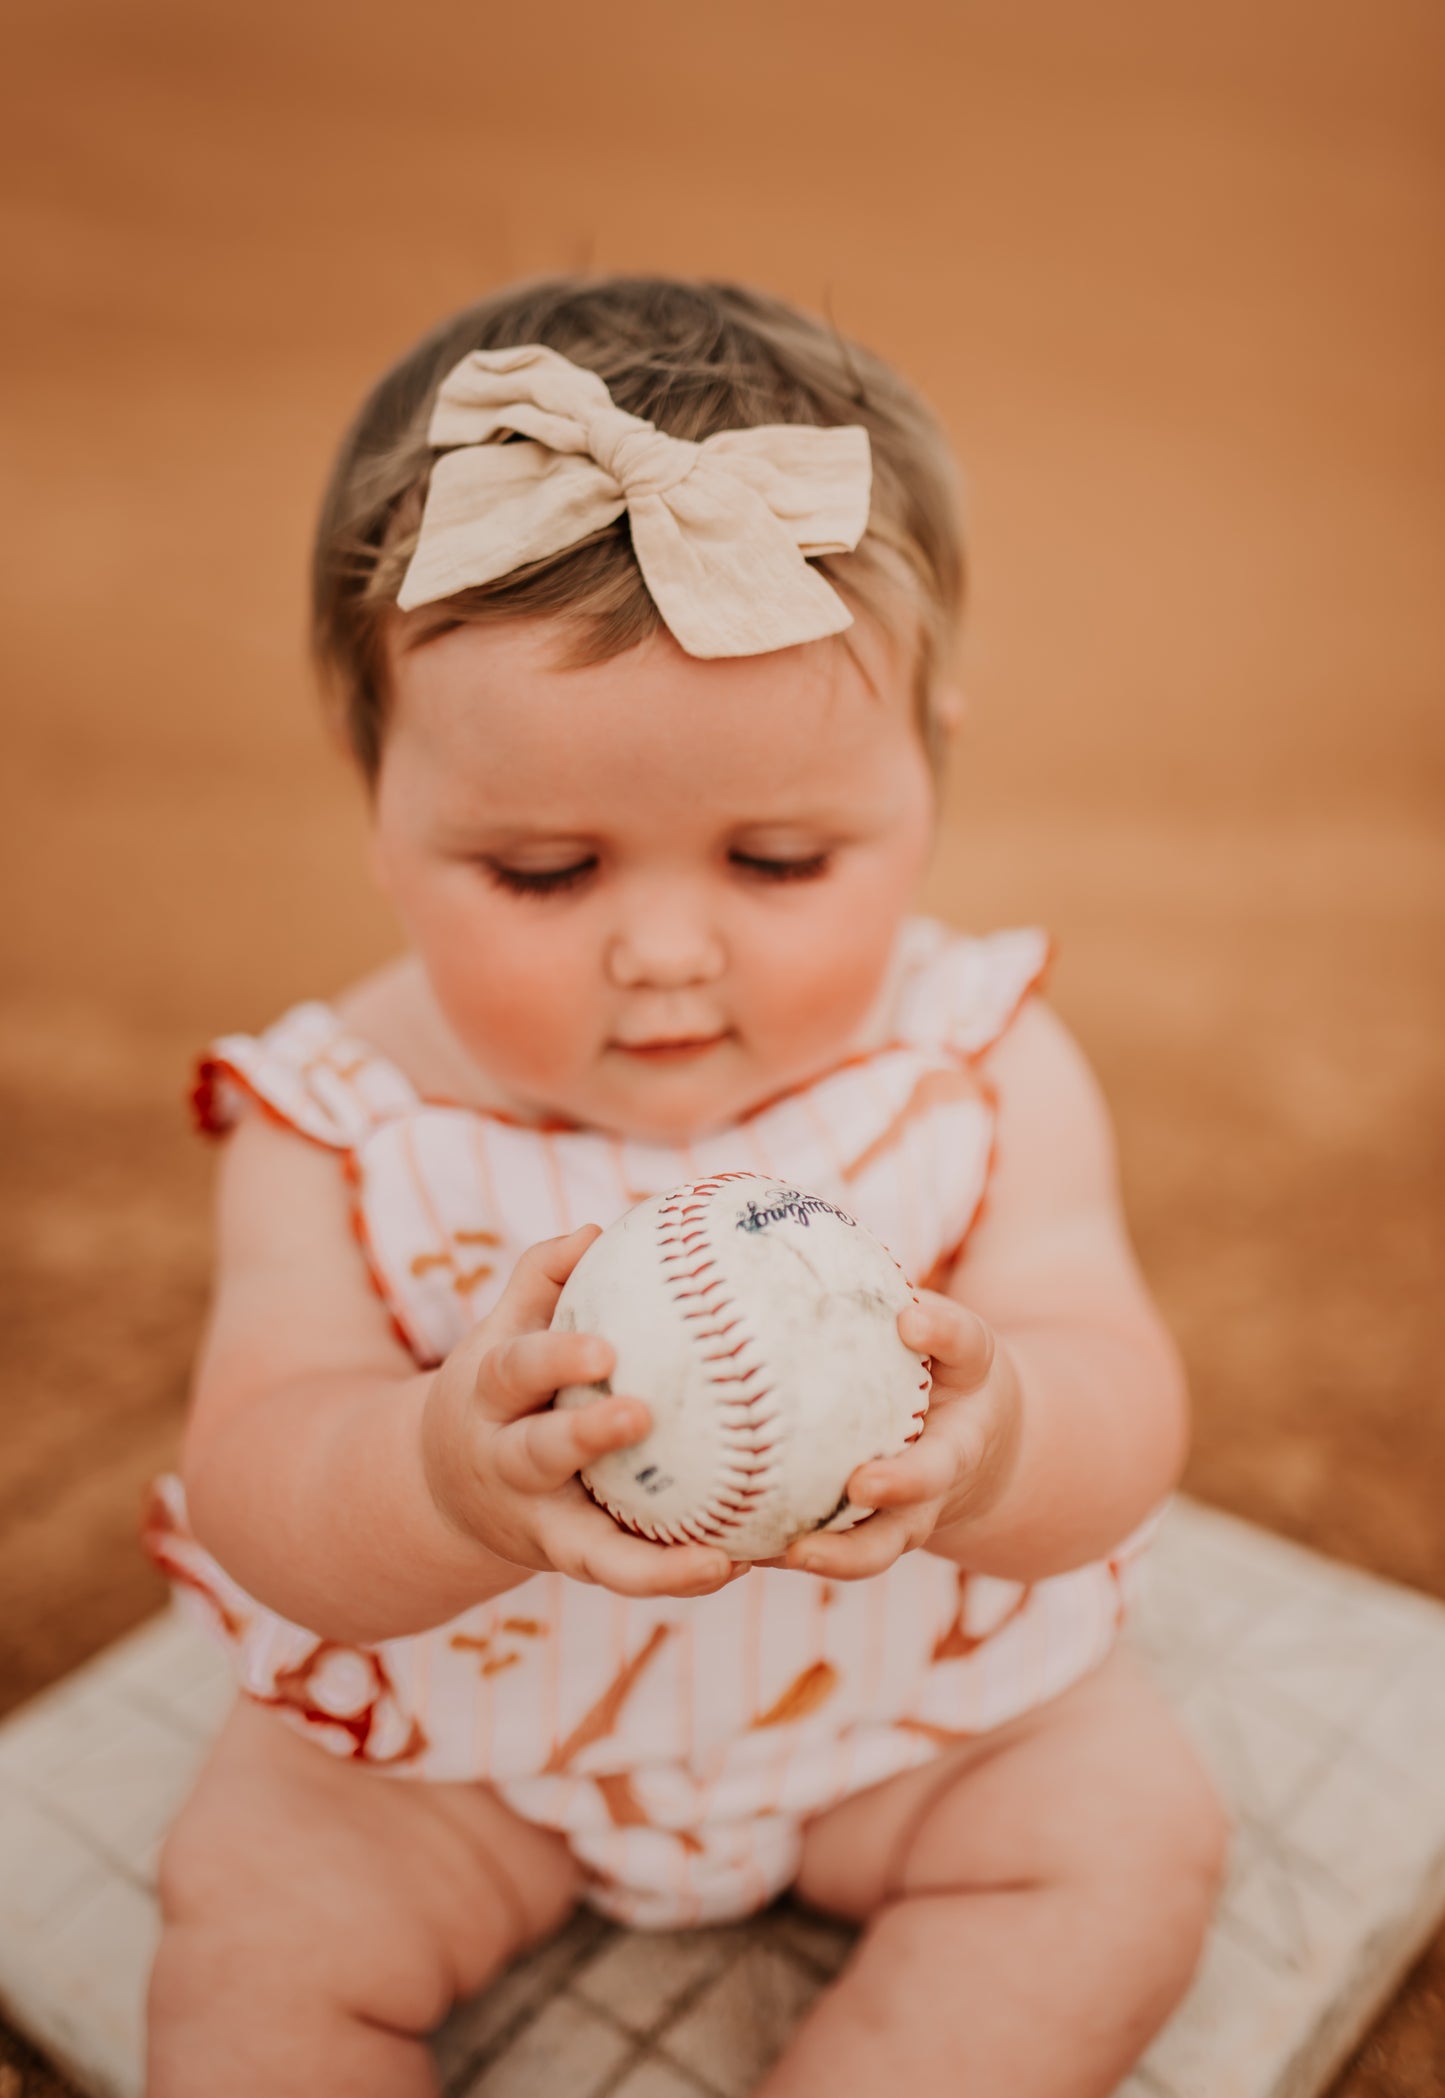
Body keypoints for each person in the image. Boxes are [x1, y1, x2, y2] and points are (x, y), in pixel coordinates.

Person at [143, 275, 1228, 2097]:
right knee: (253, 1918)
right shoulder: (334, 1118)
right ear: (377, 791)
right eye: (547, 868)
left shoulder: (972, 1060)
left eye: (780, 857)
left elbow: (1118, 1385)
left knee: (1122, 1843)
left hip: (904, 1714)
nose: (664, 951)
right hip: (459, 1754)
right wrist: (429, 1471)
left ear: (929, 771)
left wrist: (1007, 1436)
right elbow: (260, 1475)